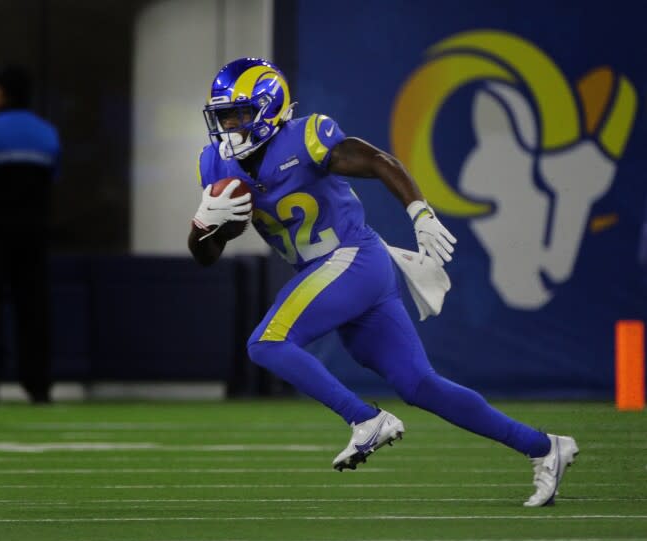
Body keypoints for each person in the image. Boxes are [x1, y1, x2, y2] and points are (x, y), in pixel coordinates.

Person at [188, 57, 578, 507]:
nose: (229, 126)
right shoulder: (215, 165)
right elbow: (206, 255)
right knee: (419, 385)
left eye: (237, 114)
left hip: (352, 259)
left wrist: (420, 211)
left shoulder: (305, 136)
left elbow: (376, 160)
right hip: (334, 273)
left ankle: (364, 419)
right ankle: (545, 447)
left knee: (267, 343)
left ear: (268, 109)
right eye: (223, 116)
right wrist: (203, 226)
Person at [0, 65, 60, 404]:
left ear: (1, 93)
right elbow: (52, 180)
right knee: (33, 310)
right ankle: (38, 386)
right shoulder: (47, 134)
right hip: (33, 234)